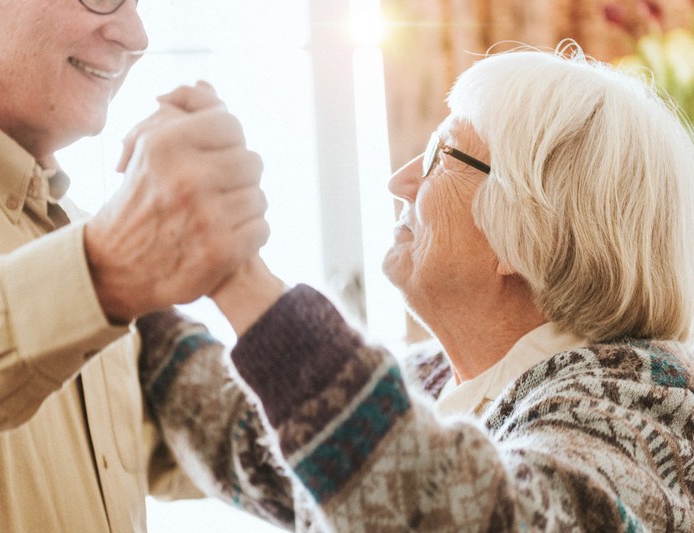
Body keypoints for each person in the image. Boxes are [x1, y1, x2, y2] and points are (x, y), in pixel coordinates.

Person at [137, 45, 694, 532]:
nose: (400, 180)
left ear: (527, 230)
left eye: (439, 157)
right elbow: (246, 438)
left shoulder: (647, 406)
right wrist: (114, 255)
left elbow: (473, 516)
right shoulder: (432, 381)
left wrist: (240, 278)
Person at [0, 0, 272, 531]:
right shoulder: (98, 257)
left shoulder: (82, 229)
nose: (136, 35)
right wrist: (99, 274)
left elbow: (243, 449)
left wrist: (242, 275)